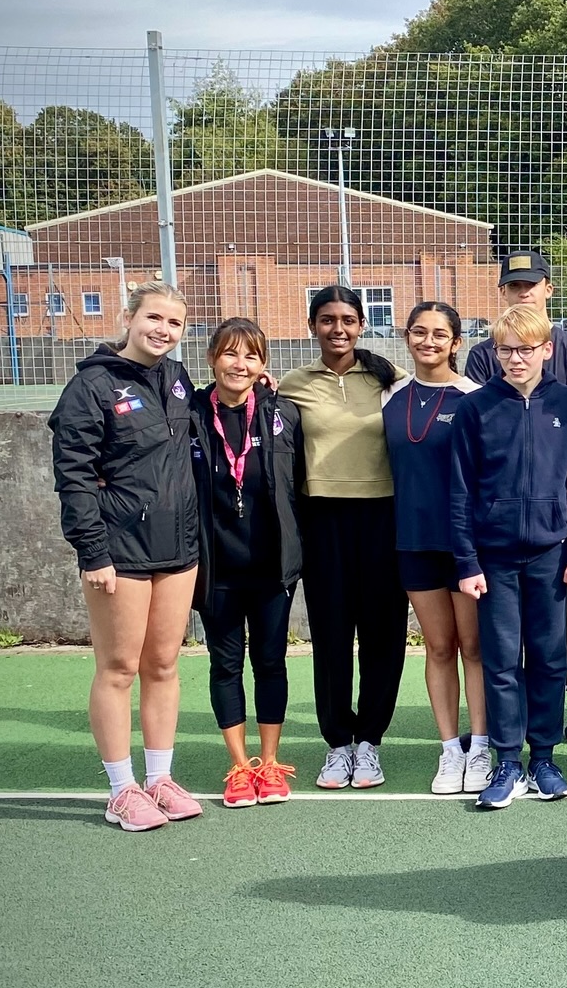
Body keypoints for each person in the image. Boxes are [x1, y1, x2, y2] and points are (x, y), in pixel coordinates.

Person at [49, 280, 205, 831]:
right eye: (154, 318)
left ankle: (159, 779)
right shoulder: (91, 385)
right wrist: (93, 553)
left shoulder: (177, 378)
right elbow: (73, 478)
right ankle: (122, 790)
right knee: (118, 668)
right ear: (129, 317)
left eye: (175, 323)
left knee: (163, 665)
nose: (163, 330)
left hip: (179, 549)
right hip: (119, 551)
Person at [464, 247, 567, 751]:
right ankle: (507, 744)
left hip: (553, 538)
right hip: (499, 541)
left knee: (565, 632)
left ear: (548, 288)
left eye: (532, 283)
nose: (516, 358)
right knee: (503, 652)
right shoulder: (483, 365)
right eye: (513, 284)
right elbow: (485, 446)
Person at [452, 303, 567, 808]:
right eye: (506, 350)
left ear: (546, 350)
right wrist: (466, 562)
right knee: (502, 659)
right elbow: (460, 490)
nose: (515, 359)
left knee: (551, 657)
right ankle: (507, 761)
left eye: (526, 349)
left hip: (552, 557)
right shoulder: (475, 408)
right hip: (494, 560)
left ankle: (544, 758)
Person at [279, 286, 406, 791]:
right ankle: (338, 744)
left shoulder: (388, 379)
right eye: (328, 319)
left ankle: (370, 741)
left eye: (348, 319)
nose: (339, 328)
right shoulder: (293, 384)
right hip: (322, 520)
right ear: (313, 325)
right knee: (331, 635)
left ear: (360, 325)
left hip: (384, 519)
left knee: (383, 634)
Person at [189, 317, 305, 810]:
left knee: (271, 662)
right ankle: (239, 767)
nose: (240, 364)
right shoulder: (189, 412)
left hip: (271, 568)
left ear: (264, 365)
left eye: (251, 356)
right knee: (226, 665)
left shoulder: (283, 414)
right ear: (213, 356)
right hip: (216, 569)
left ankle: (270, 762)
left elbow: (301, 481)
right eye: (231, 354)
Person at [382, 301, 488, 796]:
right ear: (406, 338)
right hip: (413, 542)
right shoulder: (388, 395)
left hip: (464, 545)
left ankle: (482, 747)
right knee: (439, 646)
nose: (429, 341)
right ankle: (450, 751)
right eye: (419, 332)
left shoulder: (475, 398)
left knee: (474, 647)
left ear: (456, 342)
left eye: (439, 334)